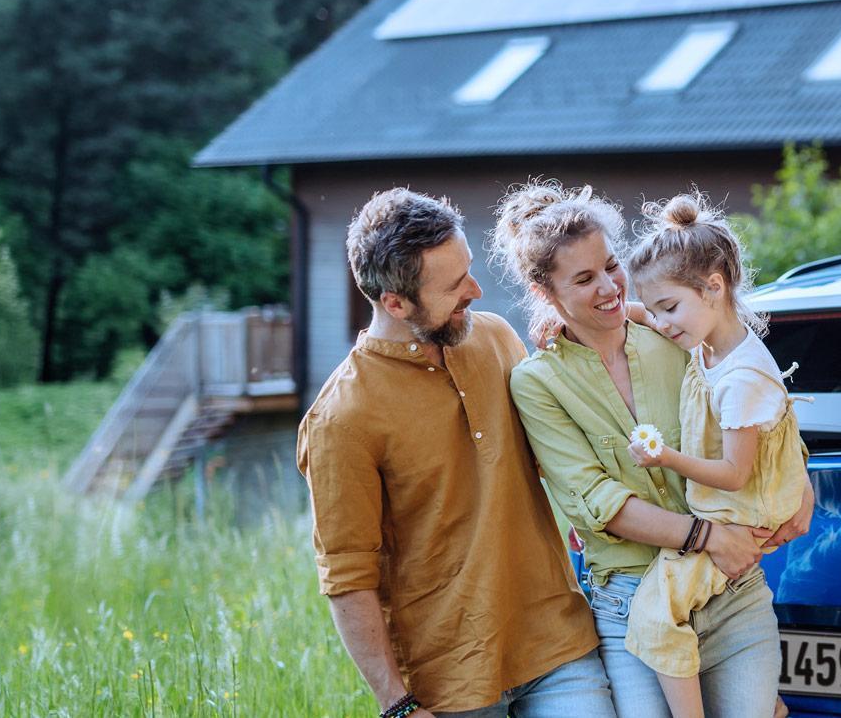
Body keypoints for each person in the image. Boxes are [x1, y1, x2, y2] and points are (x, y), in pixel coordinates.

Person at [495, 179, 812, 718]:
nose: (609, 287)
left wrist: (803, 486)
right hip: (633, 601)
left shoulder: (670, 330)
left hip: (729, 590)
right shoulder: (538, 383)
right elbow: (598, 501)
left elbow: (759, 404)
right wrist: (709, 535)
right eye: (584, 278)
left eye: (611, 266)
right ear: (547, 294)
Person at [297, 188, 612, 718]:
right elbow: (348, 578)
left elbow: (556, 451)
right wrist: (396, 704)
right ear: (395, 303)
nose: (476, 289)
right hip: (449, 679)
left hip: (557, 642)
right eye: (453, 285)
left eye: (468, 268)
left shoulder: (496, 338)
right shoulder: (340, 419)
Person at [620, 192, 810, 718]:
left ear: (714, 287)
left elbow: (733, 473)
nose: (661, 323)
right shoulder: (710, 340)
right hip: (734, 502)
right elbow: (660, 312)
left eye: (669, 308)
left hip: (739, 509)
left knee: (656, 616)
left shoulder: (742, 378)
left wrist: (666, 459)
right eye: (655, 310)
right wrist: (615, 314)